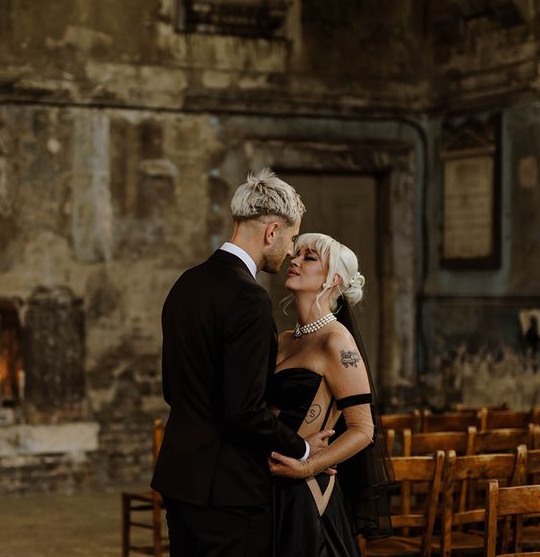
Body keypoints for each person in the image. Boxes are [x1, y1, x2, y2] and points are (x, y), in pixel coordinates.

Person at [151, 170, 335, 556]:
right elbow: (244, 411)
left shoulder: (186, 284)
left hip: (180, 478)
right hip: (229, 491)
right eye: (289, 238)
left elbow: (173, 388)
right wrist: (301, 449)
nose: (288, 252)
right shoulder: (249, 298)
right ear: (271, 232)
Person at [267, 233, 394, 556]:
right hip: (266, 484)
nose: (294, 261)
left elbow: (363, 430)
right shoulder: (282, 340)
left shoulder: (337, 342)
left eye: (309, 258)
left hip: (306, 492)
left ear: (333, 279)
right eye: (296, 255)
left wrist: (310, 466)